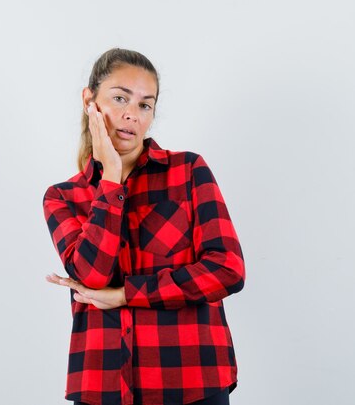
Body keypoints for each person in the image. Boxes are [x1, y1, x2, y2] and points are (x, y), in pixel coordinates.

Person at [42, 48, 245, 405]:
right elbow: (92, 276)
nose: (131, 115)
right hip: (103, 385)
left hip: (192, 378)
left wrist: (125, 295)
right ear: (89, 101)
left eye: (144, 105)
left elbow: (227, 270)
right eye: (120, 98)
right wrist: (113, 183)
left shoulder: (188, 171)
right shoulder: (63, 197)